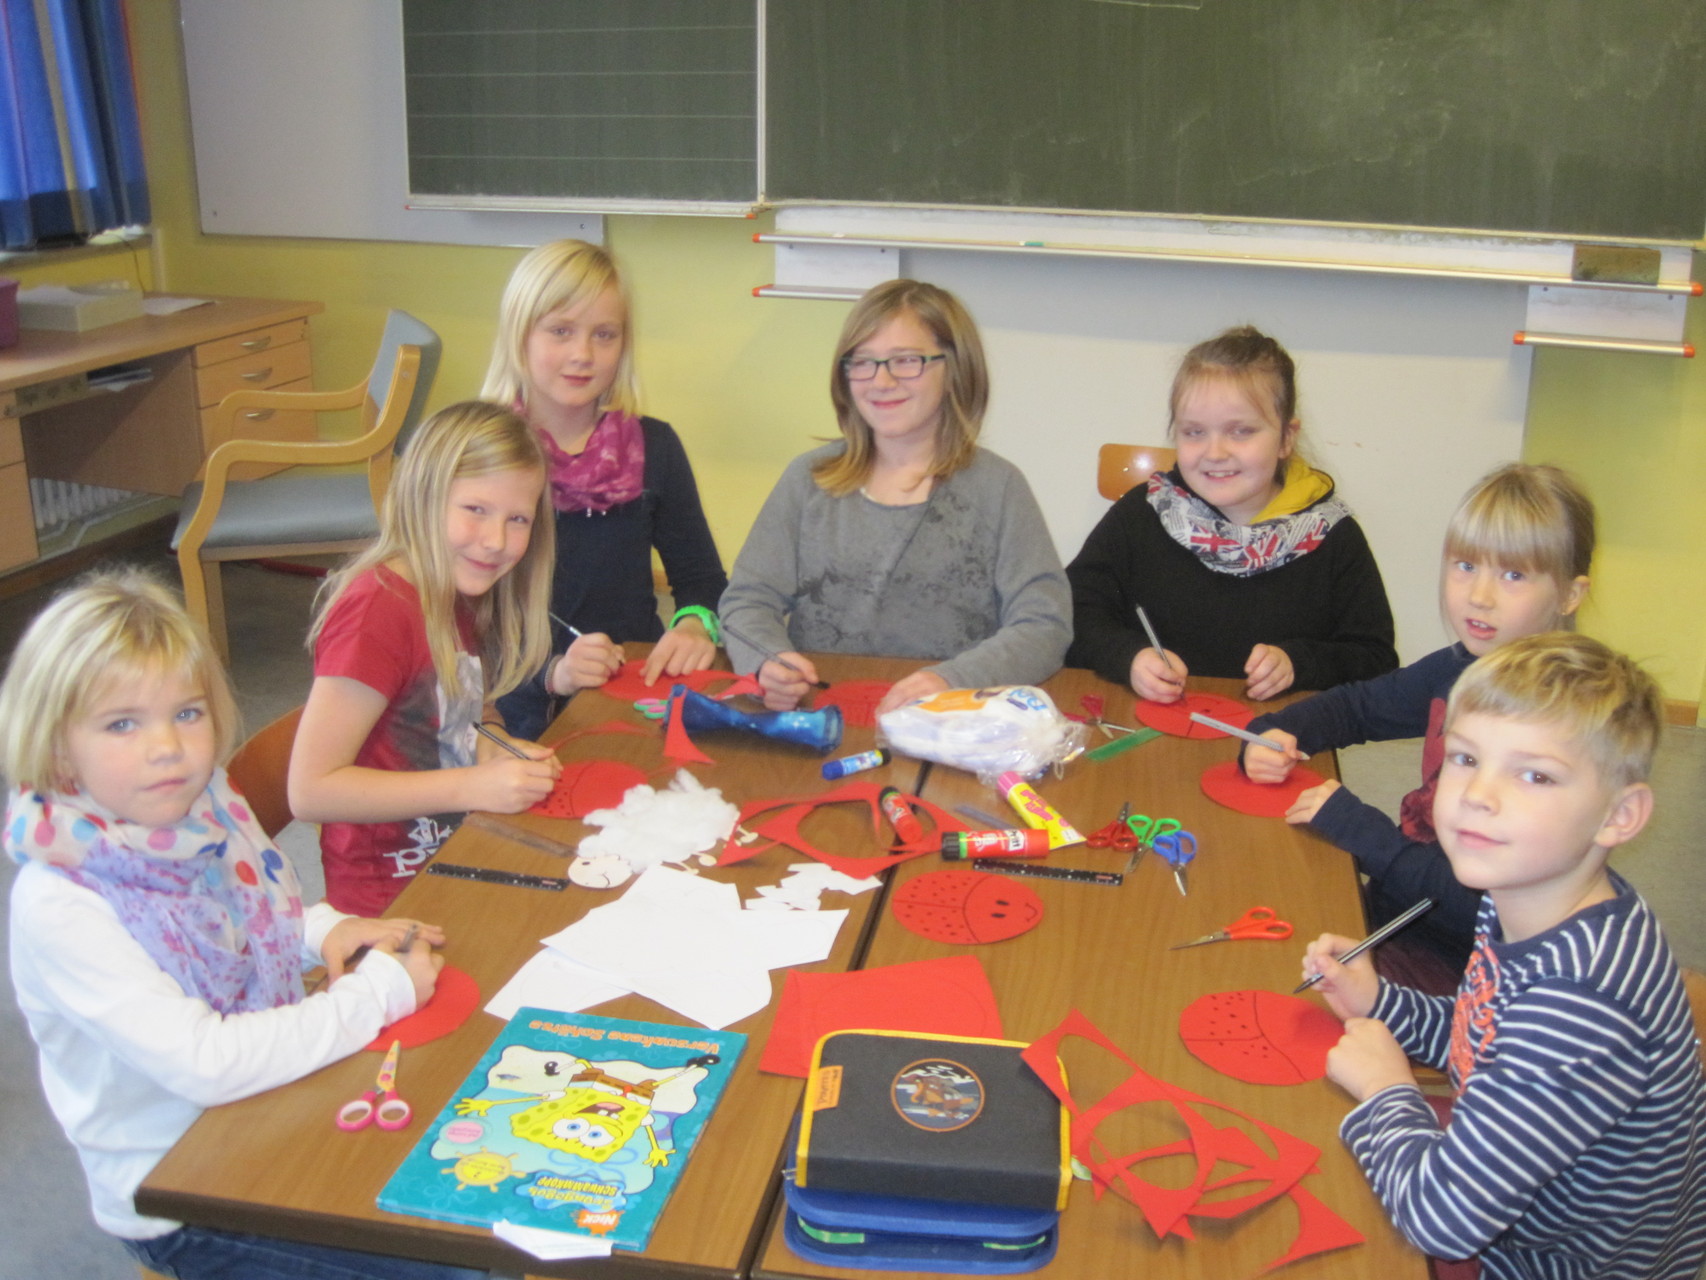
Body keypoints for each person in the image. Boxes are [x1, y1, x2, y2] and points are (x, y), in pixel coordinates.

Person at [2, 570, 479, 1280]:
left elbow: (239, 915)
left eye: (186, 713)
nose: (167, 746)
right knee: (459, 1263)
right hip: (184, 1193)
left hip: (271, 1106)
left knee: (471, 1171)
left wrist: (321, 931)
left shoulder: (198, 811)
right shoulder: (62, 904)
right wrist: (375, 993)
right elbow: (205, 1063)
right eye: (122, 723)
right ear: (56, 746)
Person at [1302, 633, 1705, 1280]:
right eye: (1465, 758)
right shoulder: (1526, 896)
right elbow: (1486, 1034)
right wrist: (1380, 1001)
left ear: (1619, 815)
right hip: (1513, 1207)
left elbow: (1442, 1221)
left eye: (1534, 774)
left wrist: (1386, 1088)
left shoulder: (1580, 1002)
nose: (1478, 794)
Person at [1244, 463, 1594, 980]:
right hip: (1403, 903)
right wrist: (1274, 732)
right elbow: (1357, 707)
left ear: (1569, 594)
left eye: (1513, 575)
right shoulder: (1460, 668)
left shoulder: (1555, 731)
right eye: (1466, 565)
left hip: (1467, 961)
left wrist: (1361, 831)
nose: (1480, 596)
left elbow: (1486, 910)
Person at [718, 279, 1071, 715]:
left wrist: (953, 679)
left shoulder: (998, 488)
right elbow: (747, 601)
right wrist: (768, 661)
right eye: (863, 362)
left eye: (906, 361)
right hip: (822, 715)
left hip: (952, 719)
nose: (881, 381)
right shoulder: (809, 480)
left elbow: (1044, 625)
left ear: (954, 369)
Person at [290, 401, 562, 916]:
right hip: (389, 899)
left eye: (518, 519)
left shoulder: (454, 589)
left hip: (455, 851)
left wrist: (495, 745)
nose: (495, 541)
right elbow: (310, 790)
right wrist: (472, 786)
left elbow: (468, 706)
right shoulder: (376, 612)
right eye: (475, 509)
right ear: (423, 496)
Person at [1066, 325, 1396, 702]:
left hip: (1278, 730)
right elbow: (1070, 613)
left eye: (1240, 431)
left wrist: (1299, 663)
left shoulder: (1333, 536)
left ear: (1286, 438)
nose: (1215, 452)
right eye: (1194, 432)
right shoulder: (1141, 515)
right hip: (1150, 723)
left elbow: (1376, 658)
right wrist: (1129, 657)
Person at [482, 239, 728, 739]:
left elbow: (702, 580)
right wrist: (553, 672)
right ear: (518, 335)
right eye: (560, 331)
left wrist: (694, 625)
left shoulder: (654, 446)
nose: (583, 354)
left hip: (632, 686)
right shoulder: (481, 454)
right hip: (512, 700)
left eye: (604, 334)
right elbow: (450, 620)